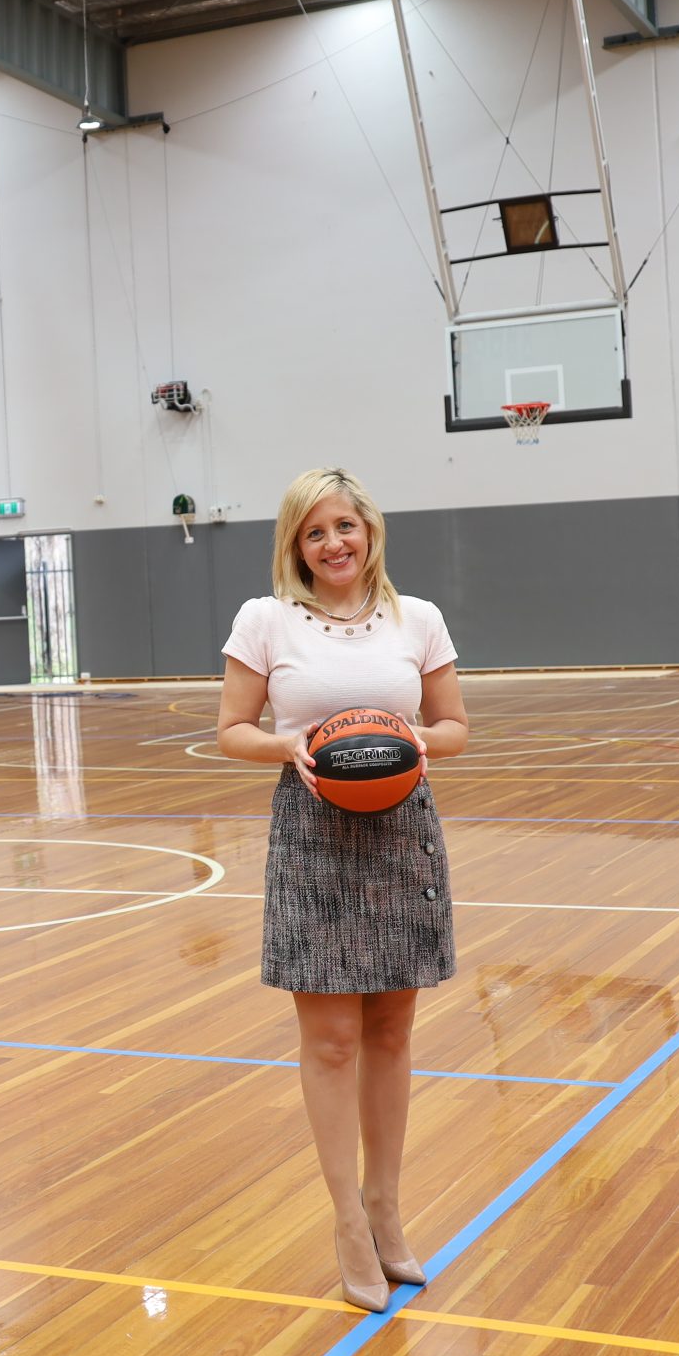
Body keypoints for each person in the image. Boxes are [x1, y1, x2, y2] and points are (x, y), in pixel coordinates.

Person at [214, 467, 470, 1311]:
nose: (334, 543)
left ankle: (387, 1207)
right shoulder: (264, 619)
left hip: (401, 829)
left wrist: (410, 738)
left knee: (393, 1028)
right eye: (315, 531)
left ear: (371, 533)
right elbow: (231, 732)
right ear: (297, 542)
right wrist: (291, 745)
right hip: (313, 831)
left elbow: (455, 728)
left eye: (346, 527)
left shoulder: (417, 618)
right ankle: (346, 1222)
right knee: (330, 1038)